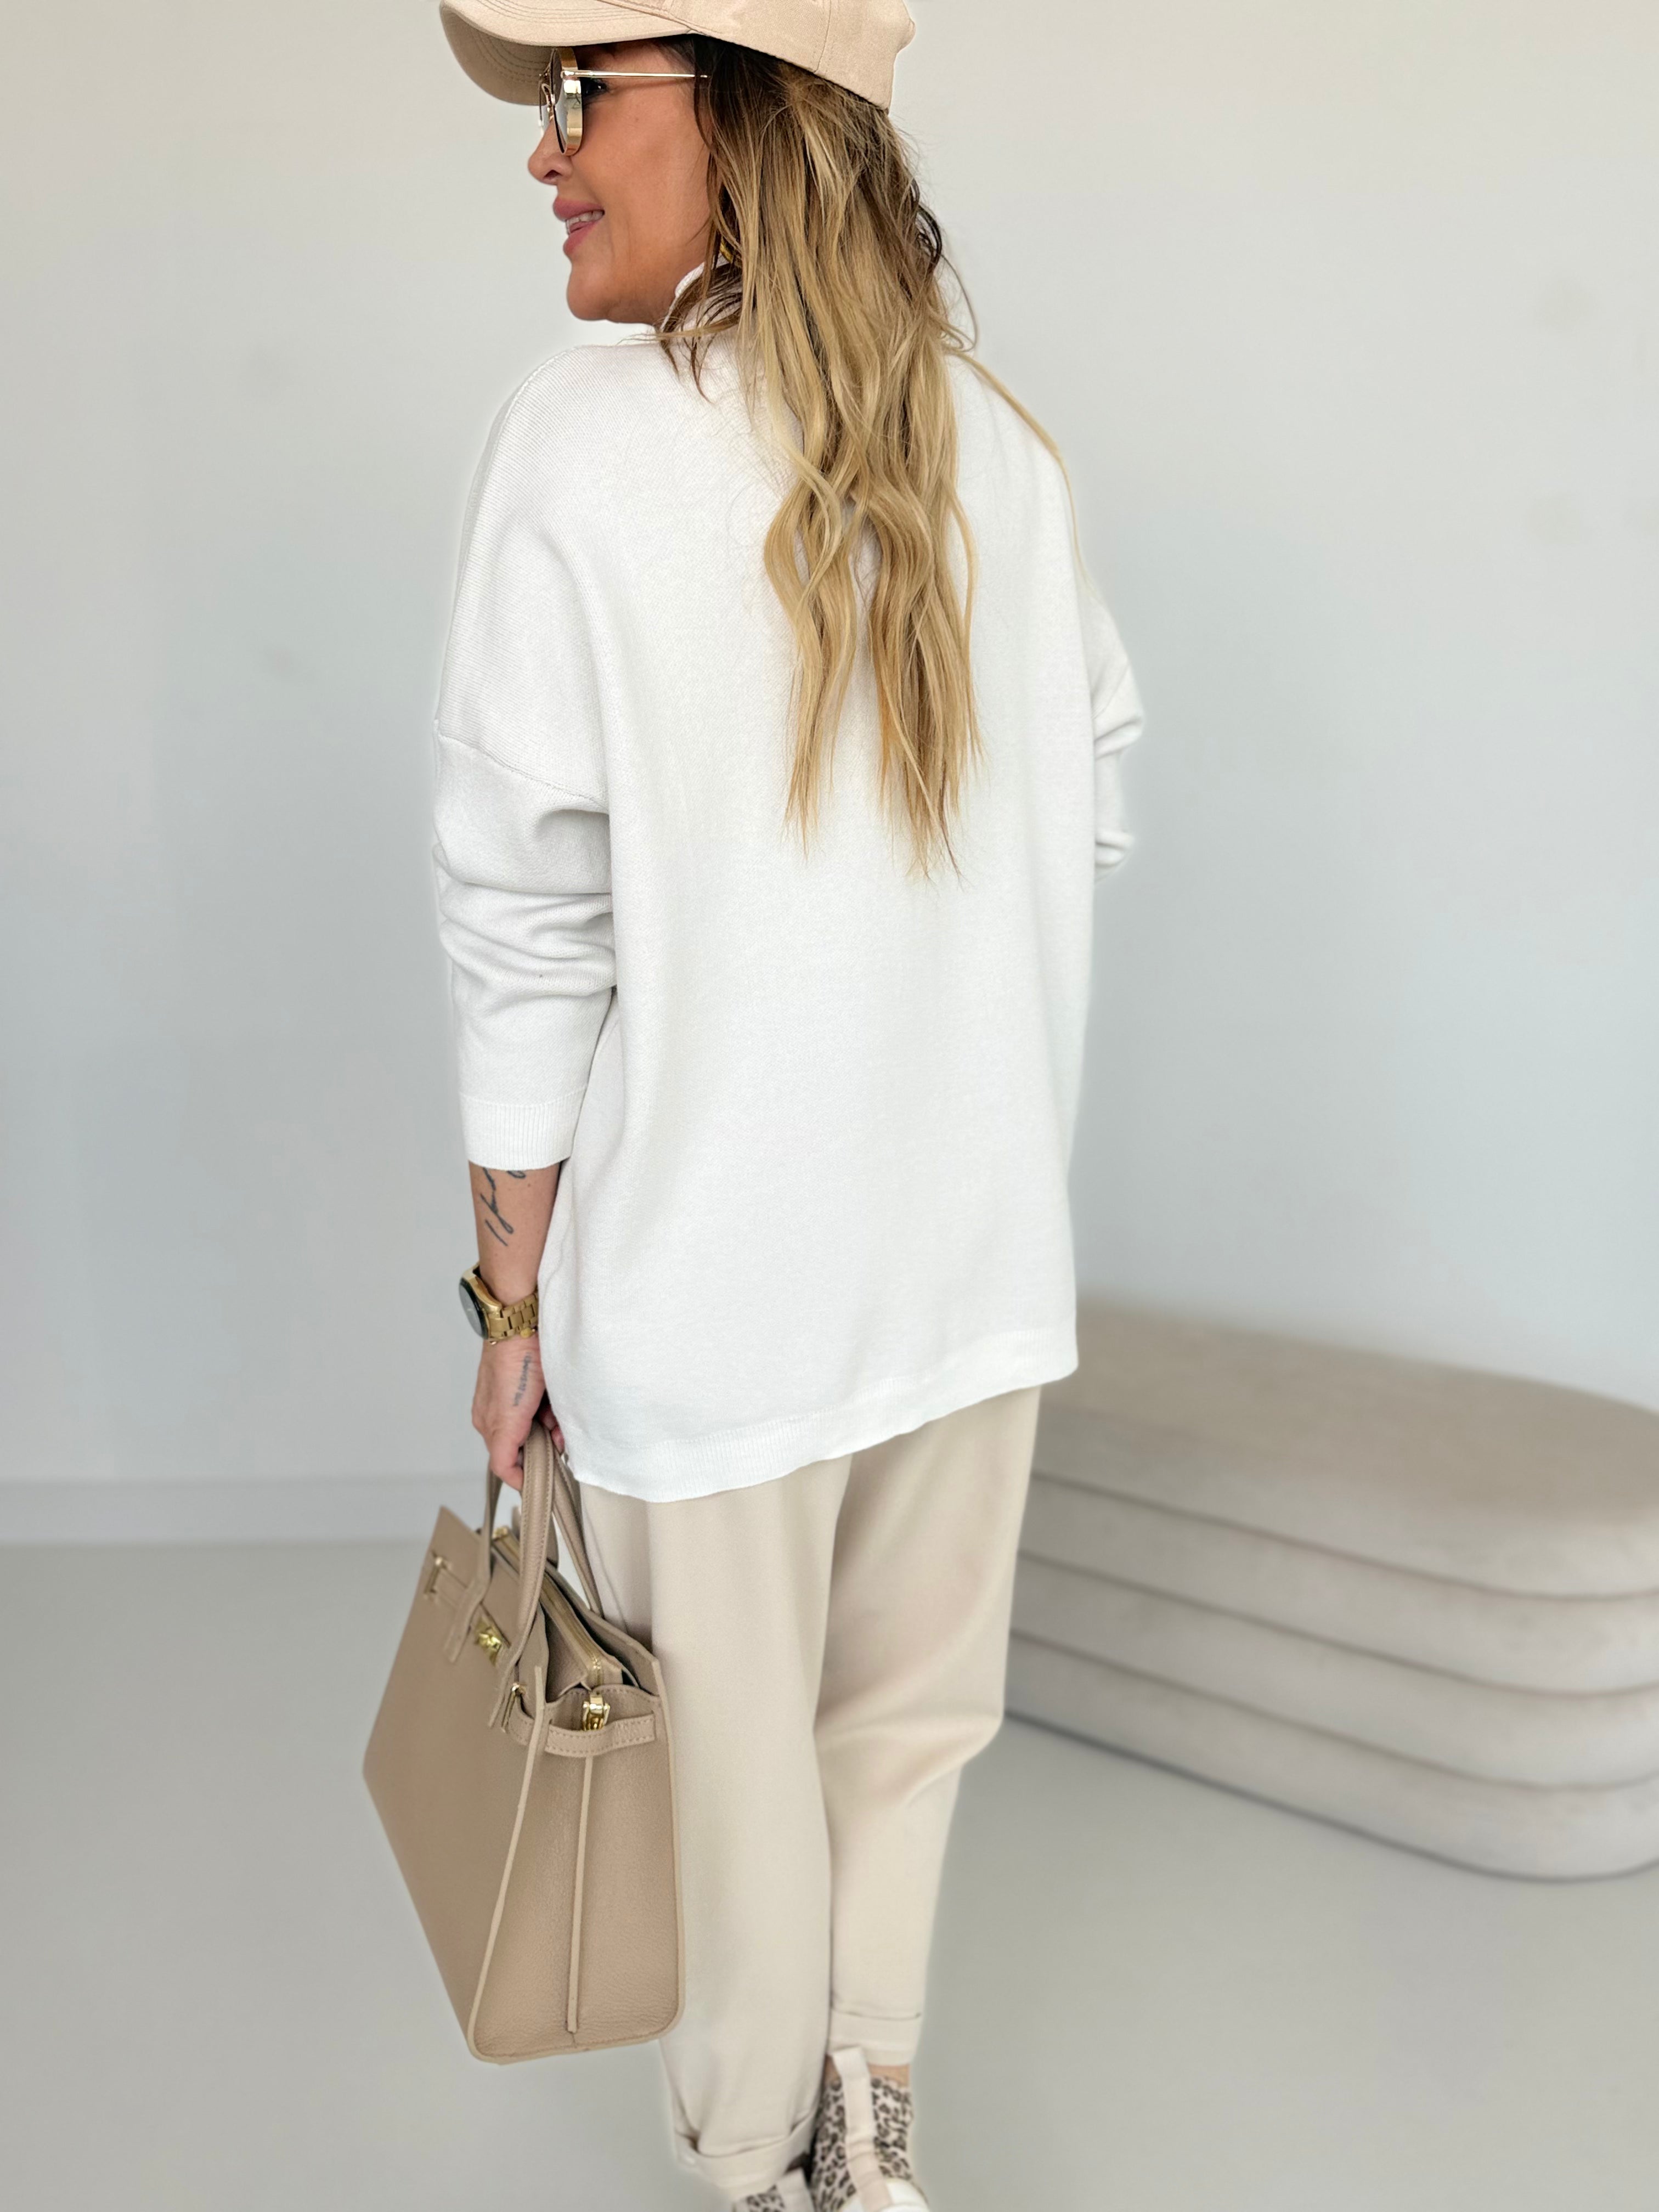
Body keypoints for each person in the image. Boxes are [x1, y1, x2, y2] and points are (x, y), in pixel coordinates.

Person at [431, 3, 1143, 2205]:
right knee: (899, 1749)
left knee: (732, 1803)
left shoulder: (579, 446)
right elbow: (1095, 797)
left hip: (714, 1296)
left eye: (585, 95)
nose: (543, 153)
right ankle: (870, 2146)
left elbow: (527, 928)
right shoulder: (1000, 450)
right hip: (972, 1269)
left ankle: (760, 2173)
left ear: (741, 116)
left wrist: (509, 1311)